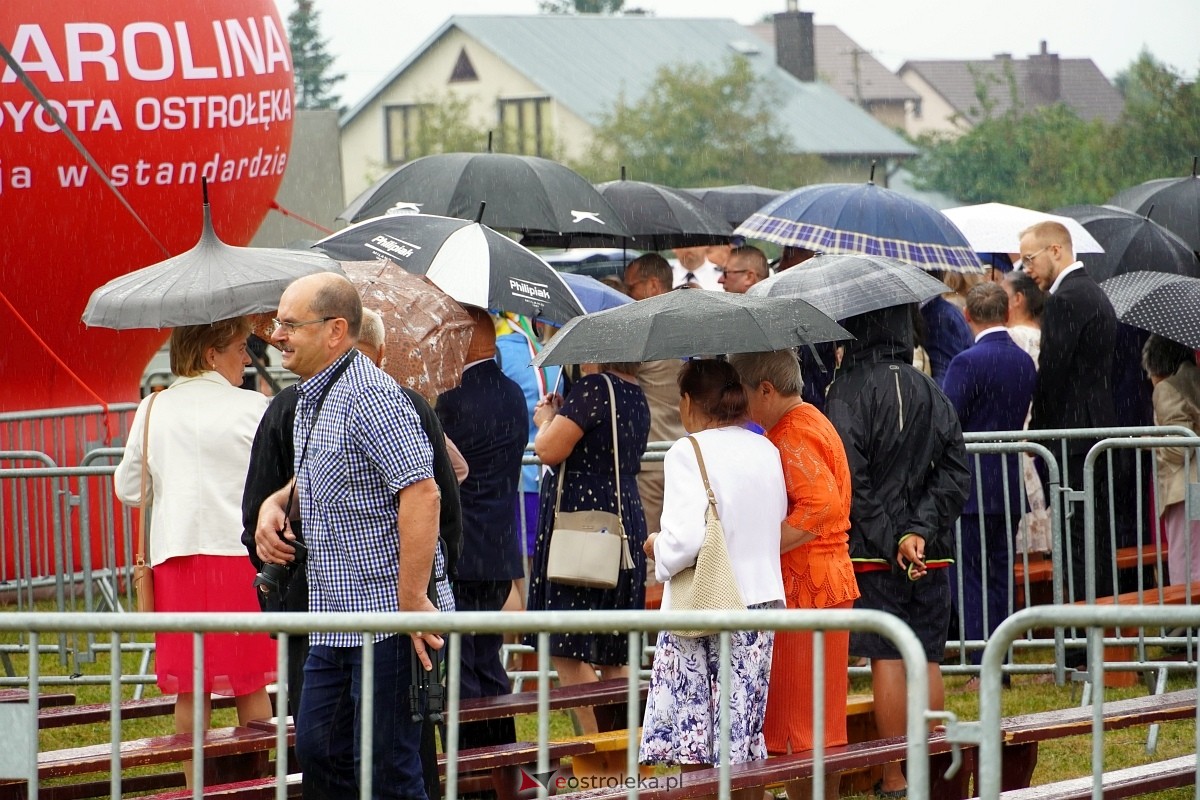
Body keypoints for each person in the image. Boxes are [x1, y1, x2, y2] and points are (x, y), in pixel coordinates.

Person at [255, 273, 443, 799]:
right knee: (320, 752)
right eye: (278, 323)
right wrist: (274, 502)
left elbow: (423, 493)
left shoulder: (371, 397)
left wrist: (411, 599)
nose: (278, 335)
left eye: (290, 324)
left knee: (387, 770)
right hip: (335, 619)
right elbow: (326, 470)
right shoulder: (313, 396)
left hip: (386, 619)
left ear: (336, 331)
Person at [824, 304, 970, 799]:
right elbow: (955, 472)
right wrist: (919, 533)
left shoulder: (844, 391)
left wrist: (893, 539)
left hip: (874, 553)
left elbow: (854, 482)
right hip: (929, 552)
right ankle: (932, 772)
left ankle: (894, 777)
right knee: (927, 656)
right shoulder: (931, 387)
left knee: (887, 656)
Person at [114, 317, 275, 741]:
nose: (247, 357)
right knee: (250, 682)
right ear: (211, 354)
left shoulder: (154, 407)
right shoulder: (253, 407)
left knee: (190, 689)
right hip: (240, 558)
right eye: (241, 348)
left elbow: (129, 489)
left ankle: (193, 787)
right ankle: (257, 784)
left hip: (177, 560)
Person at [639, 360, 786, 796]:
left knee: (694, 742)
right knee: (742, 735)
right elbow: (776, 517)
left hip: (702, 604)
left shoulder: (688, 451)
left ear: (687, 402)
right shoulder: (767, 449)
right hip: (760, 602)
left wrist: (657, 548)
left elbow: (684, 540)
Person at [728, 349, 858, 800]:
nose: (741, 406)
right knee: (821, 721)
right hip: (827, 582)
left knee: (798, 724)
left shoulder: (791, 432)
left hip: (807, 587)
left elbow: (820, 507)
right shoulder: (812, 419)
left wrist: (754, 545)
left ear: (765, 389)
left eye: (743, 395)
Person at [526, 359, 650, 734]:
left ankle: (601, 748)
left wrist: (546, 419)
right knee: (615, 647)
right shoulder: (636, 394)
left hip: (582, 524)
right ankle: (627, 749)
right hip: (621, 520)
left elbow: (547, 450)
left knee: (566, 642)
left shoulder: (594, 389)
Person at [435, 306, 528, 753]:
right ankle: (502, 756)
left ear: (468, 340)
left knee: (460, 662)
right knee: (486, 658)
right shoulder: (511, 393)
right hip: (497, 547)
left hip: (460, 549)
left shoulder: (451, 399)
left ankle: (472, 763)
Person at [1022, 220, 1119, 611]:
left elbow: (1053, 373)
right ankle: (1101, 639)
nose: (1026, 270)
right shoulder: (1093, 292)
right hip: (1095, 428)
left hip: (1072, 436)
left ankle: (1080, 645)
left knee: (1076, 540)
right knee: (1093, 538)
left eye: (1030, 259)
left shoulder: (1065, 299)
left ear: (1056, 251)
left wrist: (1038, 435)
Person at [941, 284, 1037, 676]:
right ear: (1007, 312)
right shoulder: (1022, 361)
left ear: (967, 315)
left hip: (973, 483)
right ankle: (1000, 657)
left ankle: (983, 661)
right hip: (1007, 479)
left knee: (971, 575)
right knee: (998, 572)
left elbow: (948, 419)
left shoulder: (967, 362)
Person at [623, 253, 687, 540]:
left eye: (630, 288)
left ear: (652, 286)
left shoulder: (646, 337)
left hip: (652, 459)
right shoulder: (694, 324)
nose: (626, 296)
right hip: (687, 456)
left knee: (651, 549)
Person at [1142, 335, 1200, 586]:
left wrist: (1152, 441)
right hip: (1195, 486)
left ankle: (1187, 621)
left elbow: (1179, 448)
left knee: (1185, 559)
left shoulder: (1167, 388)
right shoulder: (1194, 380)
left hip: (1184, 487)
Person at [1002, 270, 1052, 554]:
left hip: (1018, 436)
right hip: (1035, 437)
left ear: (1018, 299)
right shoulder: (1044, 335)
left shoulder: (1013, 338)